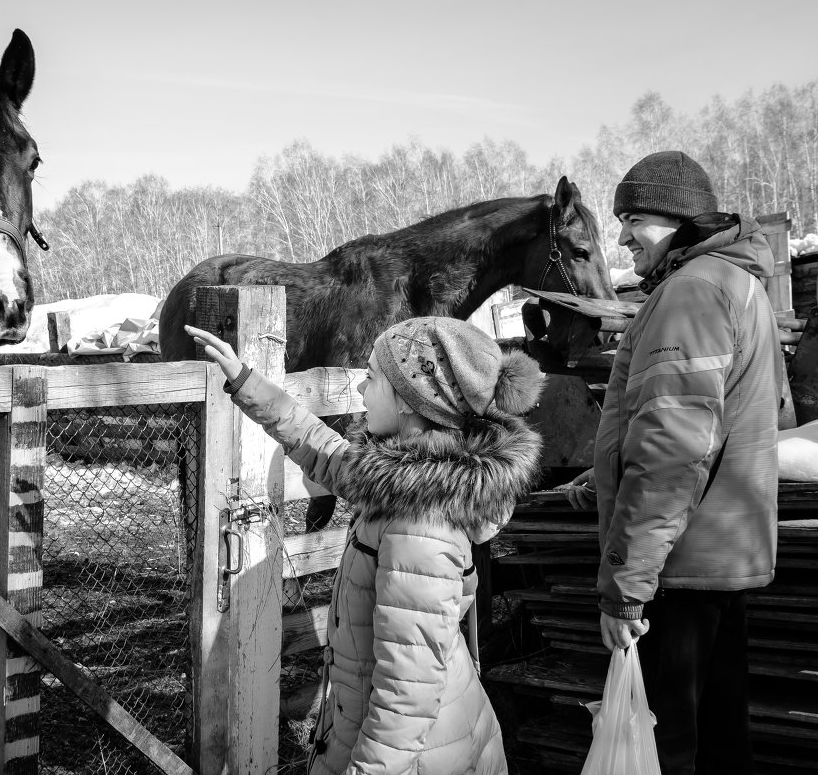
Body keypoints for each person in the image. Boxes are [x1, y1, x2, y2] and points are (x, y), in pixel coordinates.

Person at [186, 316, 545, 775]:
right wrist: (246, 381)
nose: (360, 390)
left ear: (413, 403)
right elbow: (322, 448)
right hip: (400, 734)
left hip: (414, 754)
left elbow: (406, 699)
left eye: (372, 378)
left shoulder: (420, 525)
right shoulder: (406, 481)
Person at [563, 150, 780, 774]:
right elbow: (718, 426)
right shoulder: (736, 285)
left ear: (681, 220)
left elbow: (675, 450)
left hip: (676, 568)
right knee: (718, 742)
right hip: (718, 555)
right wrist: (602, 473)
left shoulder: (690, 292)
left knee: (668, 748)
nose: (624, 234)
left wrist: (626, 591)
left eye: (636, 218)